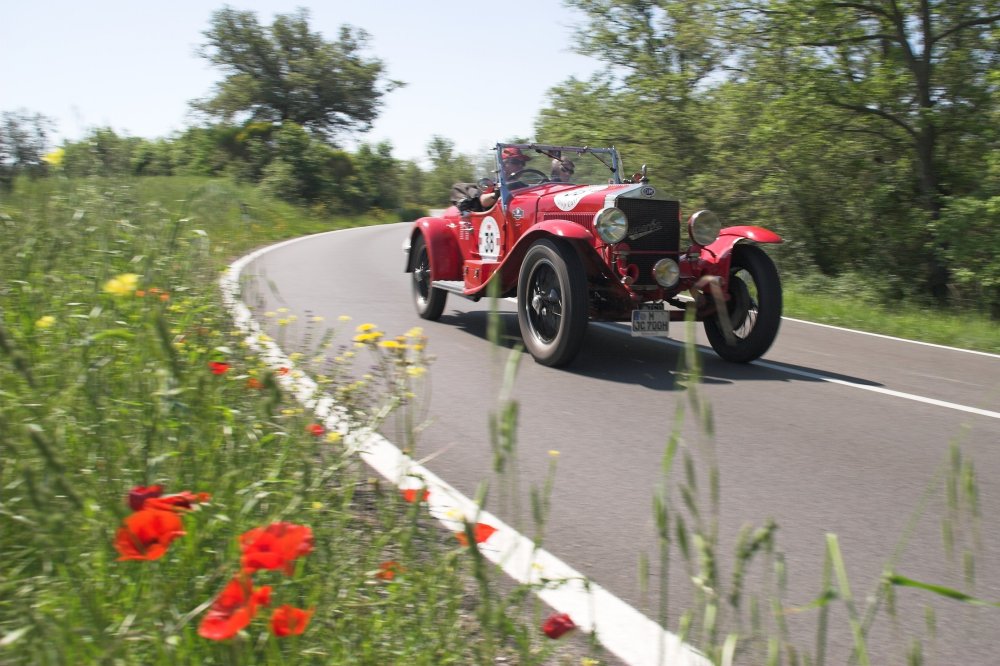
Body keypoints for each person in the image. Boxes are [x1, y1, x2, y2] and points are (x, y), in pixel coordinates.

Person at [452, 147, 533, 212]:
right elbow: (483, 201)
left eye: (523, 163)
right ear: (504, 164)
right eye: (515, 162)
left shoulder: (522, 186)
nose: (521, 166)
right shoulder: (491, 184)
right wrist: (496, 194)